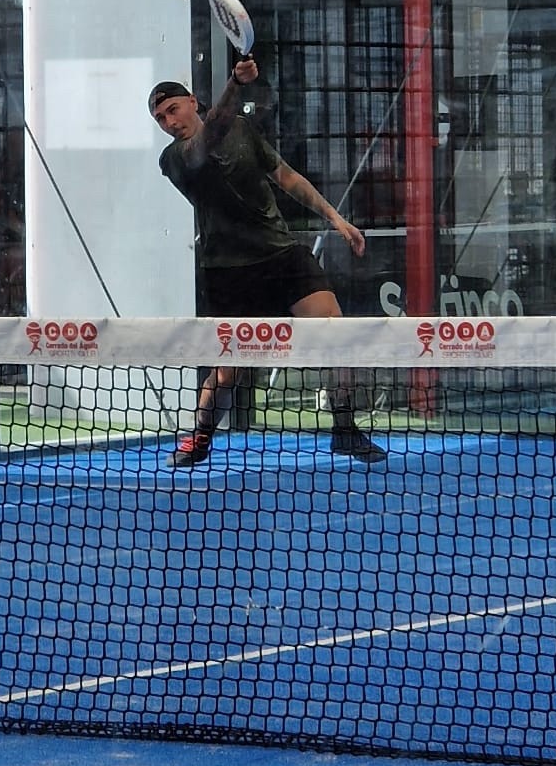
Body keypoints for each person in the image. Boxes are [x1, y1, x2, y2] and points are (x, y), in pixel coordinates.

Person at [149, 56, 385, 468]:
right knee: (228, 372)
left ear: (192, 102)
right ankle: (200, 438)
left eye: (173, 110)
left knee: (336, 333)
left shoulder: (242, 130)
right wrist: (235, 84)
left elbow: (286, 177)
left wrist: (336, 218)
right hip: (229, 273)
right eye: (160, 119)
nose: (169, 122)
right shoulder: (175, 159)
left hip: (282, 256)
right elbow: (212, 133)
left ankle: (345, 428)